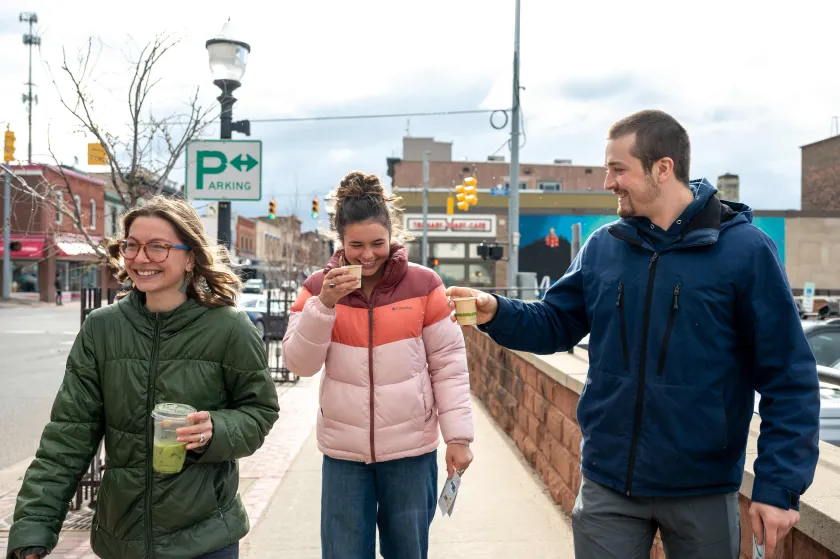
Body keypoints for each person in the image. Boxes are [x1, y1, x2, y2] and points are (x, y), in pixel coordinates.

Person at [446, 110, 820, 559]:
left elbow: (789, 376)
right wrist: (496, 311)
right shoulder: (604, 246)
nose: (608, 182)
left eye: (618, 169)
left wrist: (779, 487)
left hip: (702, 488)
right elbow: (555, 324)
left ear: (663, 168)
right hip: (609, 483)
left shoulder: (746, 251)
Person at [6, 196, 280, 559]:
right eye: (131, 245)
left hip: (205, 537)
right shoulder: (102, 329)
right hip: (121, 540)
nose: (140, 257)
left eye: (158, 247)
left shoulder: (229, 328)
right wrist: (34, 526)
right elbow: (68, 435)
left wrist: (217, 428)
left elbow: (259, 410)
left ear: (190, 257)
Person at [282, 171, 475, 559]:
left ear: (392, 237)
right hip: (344, 455)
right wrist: (325, 304)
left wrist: (458, 438)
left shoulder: (423, 284)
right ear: (340, 241)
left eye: (377, 243)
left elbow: (448, 364)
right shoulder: (316, 288)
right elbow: (299, 364)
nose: (367, 255)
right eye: (356, 245)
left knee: (407, 552)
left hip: (411, 453)